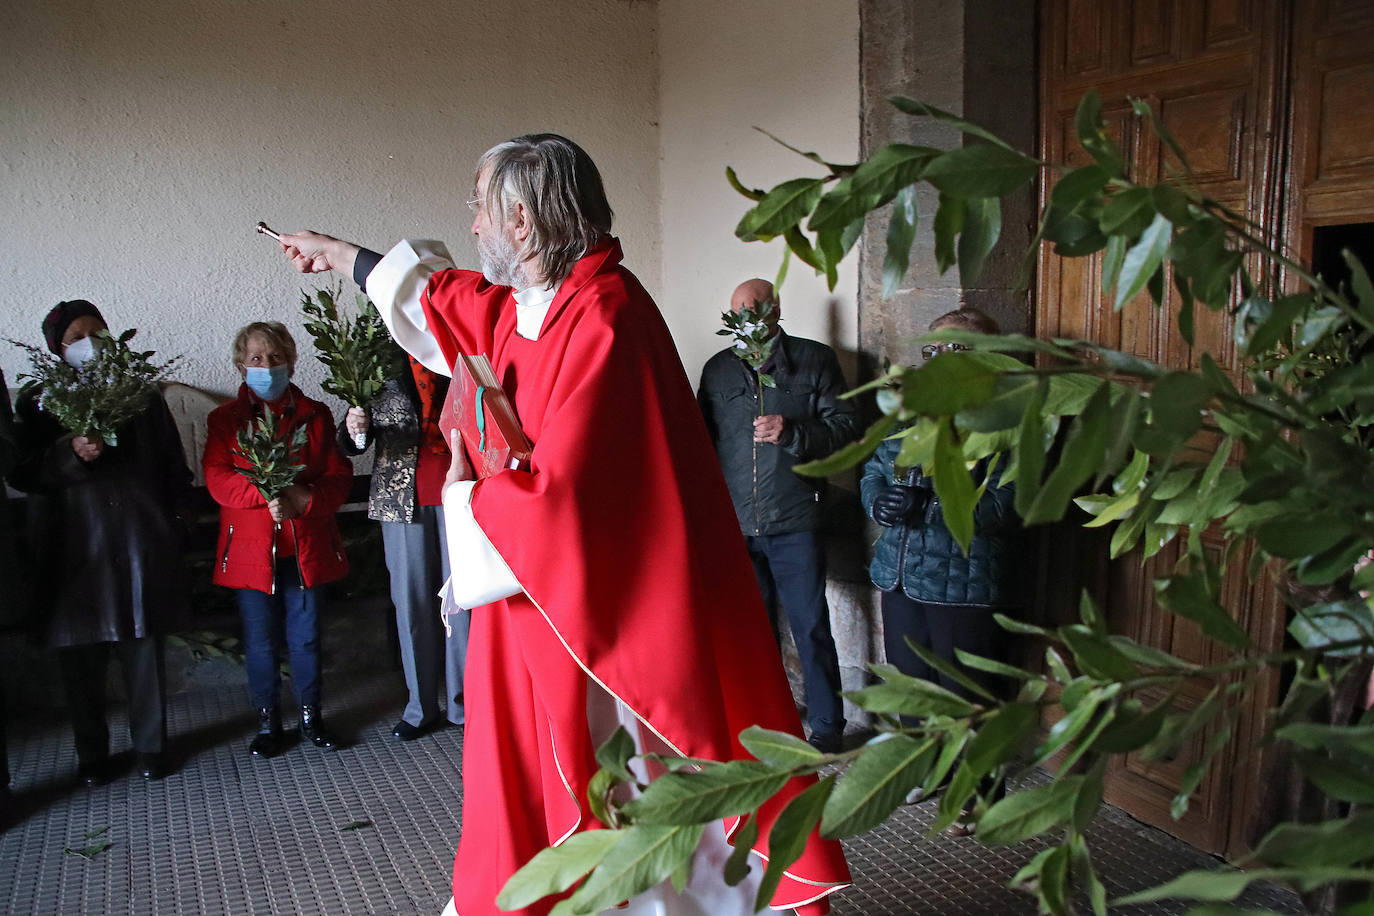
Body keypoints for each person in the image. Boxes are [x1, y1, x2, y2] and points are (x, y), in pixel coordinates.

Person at [274, 133, 850, 916]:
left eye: (480, 209)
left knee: (630, 782)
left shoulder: (607, 316)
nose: (472, 225)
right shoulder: (531, 304)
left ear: (521, 220)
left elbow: (569, 495)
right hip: (535, 595)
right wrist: (341, 255)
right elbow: (446, 298)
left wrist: (468, 499)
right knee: (538, 784)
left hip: (611, 614)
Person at [860, 307, 1027, 834]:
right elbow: (874, 467)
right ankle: (928, 771)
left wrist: (929, 508)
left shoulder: (1007, 420)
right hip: (901, 574)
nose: (939, 361)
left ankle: (980, 794)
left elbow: (1007, 504)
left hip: (964, 583)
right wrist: (878, 500)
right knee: (913, 686)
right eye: (933, 350)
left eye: (956, 349)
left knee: (968, 694)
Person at [9, 301, 190, 784]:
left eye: (98, 331)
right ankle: (92, 755)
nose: (90, 343)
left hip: (136, 538)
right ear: (57, 348)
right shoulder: (40, 400)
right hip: (74, 549)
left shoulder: (141, 395)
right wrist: (69, 453)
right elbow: (23, 472)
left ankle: (151, 747)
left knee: (142, 649)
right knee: (80, 659)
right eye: (76, 337)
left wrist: (173, 523)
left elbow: (172, 465)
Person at [697, 279, 859, 754]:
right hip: (736, 525)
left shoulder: (815, 360)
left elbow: (847, 428)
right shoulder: (717, 370)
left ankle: (827, 727)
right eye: (737, 314)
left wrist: (793, 433)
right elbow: (701, 444)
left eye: (755, 312)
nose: (746, 323)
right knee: (752, 632)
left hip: (796, 521)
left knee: (810, 626)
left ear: (776, 311)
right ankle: (764, 718)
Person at [202, 322, 351, 758]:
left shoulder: (317, 414)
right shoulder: (224, 420)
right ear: (240, 365)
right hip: (252, 551)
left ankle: (311, 716)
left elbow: (338, 476)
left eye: (275, 357)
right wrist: (264, 495)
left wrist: (304, 498)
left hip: (305, 546)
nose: (266, 366)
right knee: (261, 641)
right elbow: (217, 477)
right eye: (255, 359)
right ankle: (268, 722)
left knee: (306, 638)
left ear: (291, 362)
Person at [337, 358, 468, 739]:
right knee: (411, 603)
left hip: (462, 490)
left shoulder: (455, 349)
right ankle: (420, 707)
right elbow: (351, 440)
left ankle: (465, 706)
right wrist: (354, 428)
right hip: (399, 498)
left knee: (463, 604)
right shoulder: (374, 357)